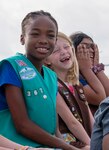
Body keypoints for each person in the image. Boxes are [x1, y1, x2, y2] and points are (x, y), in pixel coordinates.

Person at [0, 10, 80, 150]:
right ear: (22, 38)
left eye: (50, 36)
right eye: (35, 34)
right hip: (17, 146)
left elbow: (54, 128)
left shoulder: (51, 76)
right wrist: (66, 146)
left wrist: (62, 146)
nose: (43, 40)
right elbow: (22, 124)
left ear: (55, 41)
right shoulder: (11, 67)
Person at [45, 32, 94, 149]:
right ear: (47, 60)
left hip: (85, 138)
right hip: (67, 140)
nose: (63, 52)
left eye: (66, 47)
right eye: (56, 51)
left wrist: (98, 137)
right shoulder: (52, 86)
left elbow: (90, 118)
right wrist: (94, 146)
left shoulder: (76, 84)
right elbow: (72, 123)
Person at [69, 32, 109, 115]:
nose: (91, 50)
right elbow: (100, 99)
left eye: (92, 47)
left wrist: (96, 66)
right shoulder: (72, 76)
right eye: (84, 46)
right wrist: (85, 68)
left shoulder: (92, 73)